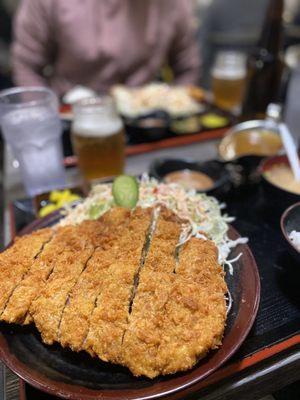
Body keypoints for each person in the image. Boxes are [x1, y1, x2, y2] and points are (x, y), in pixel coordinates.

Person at [11, 0, 200, 98]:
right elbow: (26, 65)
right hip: (70, 113)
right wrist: (45, 118)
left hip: (145, 120)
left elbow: (188, 65)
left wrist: (174, 106)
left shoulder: (171, 4)